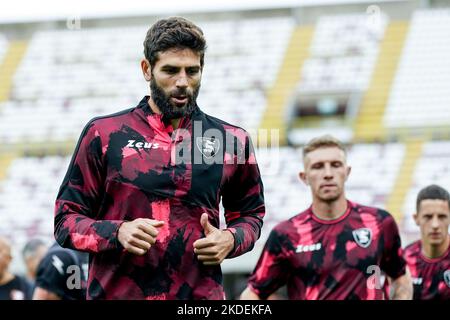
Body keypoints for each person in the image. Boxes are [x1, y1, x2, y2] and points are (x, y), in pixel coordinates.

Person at [54, 17, 265, 300]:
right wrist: (116, 232)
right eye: (170, 71)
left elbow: (251, 216)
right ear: (146, 69)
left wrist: (231, 239)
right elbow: (65, 221)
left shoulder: (232, 139)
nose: (182, 82)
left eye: (192, 71)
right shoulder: (104, 134)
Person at [240, 135, 412, 300]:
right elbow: (253, 292)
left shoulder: (380, 223)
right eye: (318, 166)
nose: (328, 173)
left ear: (347, 171)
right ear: (304, 177)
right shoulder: (286, 235)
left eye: (336, 164)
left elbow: (400, 278)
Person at [404, 184, 450, 300]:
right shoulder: (403, 260)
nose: (435, 225)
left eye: (442, 217)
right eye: (428, 217)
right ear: (416, 218)